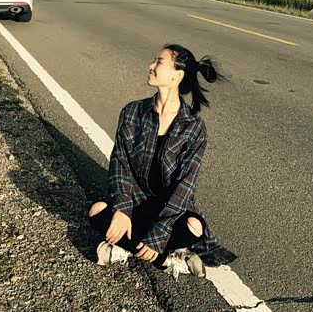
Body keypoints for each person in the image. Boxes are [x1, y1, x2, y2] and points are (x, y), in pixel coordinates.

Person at [88, 44, 237, 280]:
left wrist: (159, 231)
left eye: (158, 62)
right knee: (97, 211)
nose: (151, 66)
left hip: (169, 210)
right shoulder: (132, 112)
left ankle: (127, 245)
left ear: (177, 75)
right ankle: (166, 258)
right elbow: (120, 163)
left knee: (194, 226)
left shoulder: (193, 126)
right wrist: (123, 209)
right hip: (135, 203)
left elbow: (185, 184)